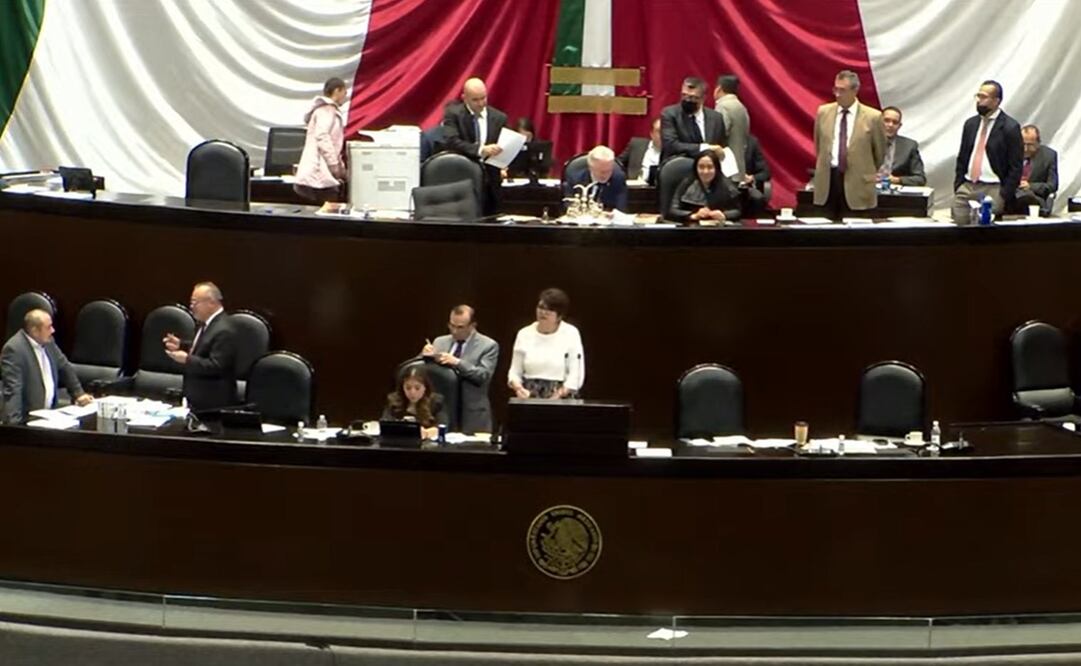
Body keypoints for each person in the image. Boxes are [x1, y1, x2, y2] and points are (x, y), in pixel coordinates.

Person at [812, 70, 887, 220]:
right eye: (836, 89)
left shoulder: (873, 117)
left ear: (855, 91)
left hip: (858, 183)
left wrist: (863, 168)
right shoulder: (823, 112)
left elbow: (879, 153)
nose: (838, 94)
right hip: (828, 180)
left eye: (843, 90)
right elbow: (819, 145)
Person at [2, 309, 92, 425]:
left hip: (49, 417)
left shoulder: (49, 342)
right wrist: (13, 428)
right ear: (34, 330)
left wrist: (79, 394)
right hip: (28, 421)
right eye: (48, 327)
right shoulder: (14, 350)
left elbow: (65, 367)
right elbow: (13, 389)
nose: (53, 330)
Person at [951, 80, 1023, 225]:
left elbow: (1016, 165)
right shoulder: (971, 124)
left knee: (984, 234)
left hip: (993, 188)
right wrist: (959, 183)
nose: (979, 101)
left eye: (984, 97)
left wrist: (1004, 194)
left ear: (996, 101)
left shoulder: (1010, 127)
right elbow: (963, 156)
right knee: (958, 230)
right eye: (978, 96)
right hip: (967, 185)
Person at [420, 304, 500, 433]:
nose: (454, 331)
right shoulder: (439, 342)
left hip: (472, 415)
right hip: (442, 412)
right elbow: (423, 373)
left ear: (473, 326)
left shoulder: (488, 346)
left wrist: (457, 362)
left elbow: (482, 376)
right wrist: (424, 356)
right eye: (452, 325)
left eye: (460, 327)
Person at [163, 282, 238, 412]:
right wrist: (181, 345)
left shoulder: (225, 329)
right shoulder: (207, 324)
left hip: (213, 404)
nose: (191, 307)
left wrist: (187, 359)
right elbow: (203, 348)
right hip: (198, 401)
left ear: (211, 302)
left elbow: (217, 366)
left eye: (195, 302)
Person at [442, 77, 509, 216]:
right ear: (464, 98)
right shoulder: (453, 114)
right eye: (475, 100)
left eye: (483, 98)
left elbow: (505, 145)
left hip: (491, 182)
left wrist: (504, 161)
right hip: (462, 179)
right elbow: (451, 141)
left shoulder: (499, 118)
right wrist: (480, 150)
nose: (481, 103)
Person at [508, 288, 584, 400]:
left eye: (550, 310)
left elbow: (576, 374)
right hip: (529, 394)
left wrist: (559, 394)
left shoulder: (571, 333)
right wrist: (519, 388)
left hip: (562, 395)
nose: (543, 312)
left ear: (559, 316)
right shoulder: (524, 333)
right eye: (541, 307)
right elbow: (515, 371)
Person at [294, 77, 348, 204]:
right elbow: (322, 136)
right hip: (318, 177)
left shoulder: (326, 111)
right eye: (344, 93)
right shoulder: (326, 110)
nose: (345, 97)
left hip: (317, 176)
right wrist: (334, 165)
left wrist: (341, 170)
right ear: (337, 90)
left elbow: (334, 144)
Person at [660, 76, 728, 163]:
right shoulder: (670, 114)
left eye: (693, 97)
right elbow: (671, 145)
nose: (687, 100)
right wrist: (704, 148)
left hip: (708, 170)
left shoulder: (716, 118)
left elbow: (722, 146)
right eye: (684, 95)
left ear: (703, 98)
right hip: (678, 169)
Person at [668, 150, 742, 225]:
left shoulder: (727, 185)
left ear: (716, 168)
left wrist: (724, 215)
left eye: (710, 167)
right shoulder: (687, 183)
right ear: (695, 168)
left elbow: (738, 211)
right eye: (701, 167)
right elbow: (673, 210)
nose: (705, 171)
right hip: (692, 229)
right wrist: (693, 215)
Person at [382, 365, 447, 440]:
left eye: (417, 388)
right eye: (408, 388)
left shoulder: (437, 401)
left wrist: (426, 433)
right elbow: (385, 423)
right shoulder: (393, 400)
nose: (412, 392)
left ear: (425, 387)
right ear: (402, 387)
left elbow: (443, 426)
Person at [563, 145, 628, 211]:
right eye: (602, 172)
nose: (606, 175)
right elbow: (567, 206)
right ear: (590, 168)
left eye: (609, 170)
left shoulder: (618, 177)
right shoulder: (574, 176)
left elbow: (620, 209)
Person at [1012, 124, 1059, 215]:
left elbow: (1052, 185)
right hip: (1012, 197)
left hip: (1035, 200)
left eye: (1030, 145)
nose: (1025, 149)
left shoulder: (1049, 156)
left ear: (1038, 143)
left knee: (1027, 197)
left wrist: (1030, 186)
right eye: (1022, 144)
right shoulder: (1011, 153)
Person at [878, 106, 926, 186]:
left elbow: (920, 179)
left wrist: (897, 180)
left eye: (895, 122)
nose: (890, 125)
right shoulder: (865, 142)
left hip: (895, 194)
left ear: (899, 126)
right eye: (886, 121)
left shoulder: (909, 146)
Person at [714, 74, 750, 179]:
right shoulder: (741, 107)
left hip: (727, 167)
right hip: (739, 165)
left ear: (718, 88)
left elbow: (719, 134)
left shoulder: (723, 106)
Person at [617, 117, 662, 183]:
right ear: (652, 134)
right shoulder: (636, 144)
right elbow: (618, 162)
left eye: (666, 131)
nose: (663, 134)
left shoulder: (673, 151)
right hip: (634, 186)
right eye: (659, 131)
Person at [741, 134, 772, 215]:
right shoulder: (719, 140)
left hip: (745, 188)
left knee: (757, 198)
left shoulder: (751, 142)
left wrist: (751, 178)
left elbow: (766, 172)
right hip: (723, 188)